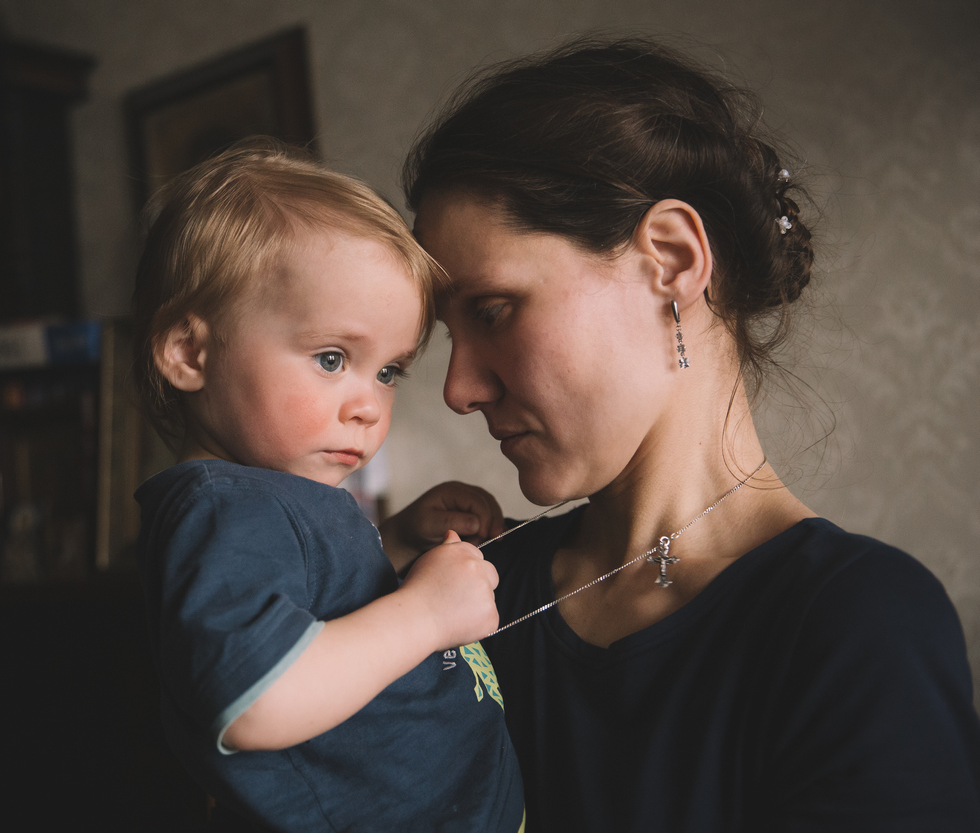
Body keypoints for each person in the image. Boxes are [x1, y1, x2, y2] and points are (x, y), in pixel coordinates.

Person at [385, 36, 980, 832]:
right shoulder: (462, 593)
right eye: (448, 336)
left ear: (670, 259)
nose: (458, 389)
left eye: (492, 311)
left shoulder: (859, 626)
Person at [131, 140, 526, 832]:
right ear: (191, 352)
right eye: (332, 358)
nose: (368, 405)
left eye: (388, 372)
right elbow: (255, 698)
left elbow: (316, 606)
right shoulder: (227, 508)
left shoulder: (266, 500)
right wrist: (426, 614)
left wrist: (394, 541)